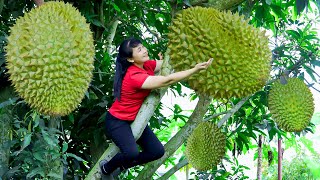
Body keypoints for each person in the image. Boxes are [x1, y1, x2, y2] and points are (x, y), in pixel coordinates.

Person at [100, 37, 212, 178]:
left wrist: (199, 57)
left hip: (134, 119)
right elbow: (167, 80)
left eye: (143, 46)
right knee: (131, 153)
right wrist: (195, 70)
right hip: (117, 121)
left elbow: (169, 64)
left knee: (157, 151)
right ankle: (106, 168)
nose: (144, 50)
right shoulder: (134, 76)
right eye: (139, 50)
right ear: (130, 59)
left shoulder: (146, 65)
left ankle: (122, 165)